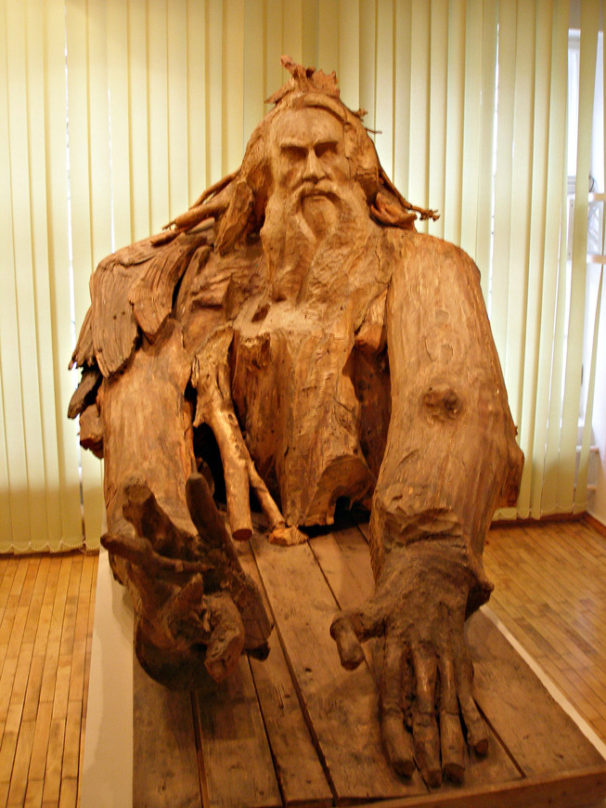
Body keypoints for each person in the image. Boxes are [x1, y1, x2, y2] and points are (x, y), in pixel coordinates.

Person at [69, 58, 523, 786]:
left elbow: (452, 399)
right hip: (249, 540)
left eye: (328, 152)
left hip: (370, 533)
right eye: (293, 156)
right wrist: (170, 556)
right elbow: (144, 404)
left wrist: (428, 560)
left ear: (360, 170)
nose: (313, 170)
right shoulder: (196, 280)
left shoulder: (428, 265)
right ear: (264, 181)